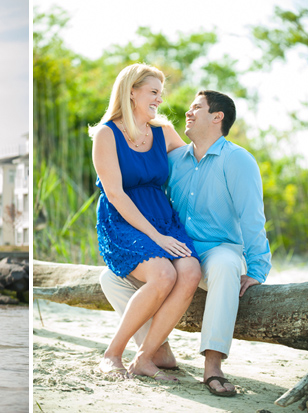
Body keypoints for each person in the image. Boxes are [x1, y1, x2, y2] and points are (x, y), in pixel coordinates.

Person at [100, 90, 271, 396]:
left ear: (217, 117)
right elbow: (142, 182)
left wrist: (258, 268)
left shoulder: (238, 160)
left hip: (220, 247)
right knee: (109, 278)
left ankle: (213, 365)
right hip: (178, 246)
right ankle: (155, 349)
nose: (188, 113)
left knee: (224, 266)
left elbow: (252, 218)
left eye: (197, 108)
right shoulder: (174, 159)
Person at [90, 63, 203, 382]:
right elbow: (115, 194)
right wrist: (156, 237)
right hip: (124, 221)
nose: (159, 100)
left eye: (160, 94)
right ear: (131, 92)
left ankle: (144, 358)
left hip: (163, 218)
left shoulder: (163, 131)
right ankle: (112, 353)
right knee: (163, 273)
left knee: (191, 270)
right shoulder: (105, 134)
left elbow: (194, 169)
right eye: (153, 92)